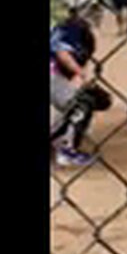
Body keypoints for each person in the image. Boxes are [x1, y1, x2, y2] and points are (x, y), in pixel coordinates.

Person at [48, 12, 103, 167]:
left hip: (55, 76)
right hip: (52, 76)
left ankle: (57, 141)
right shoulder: (72, 30)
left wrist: (82, 82)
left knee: (71, 105)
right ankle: (66, 152)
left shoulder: (70, 33)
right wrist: (81, 75)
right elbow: (62, 54)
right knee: (80, 104)